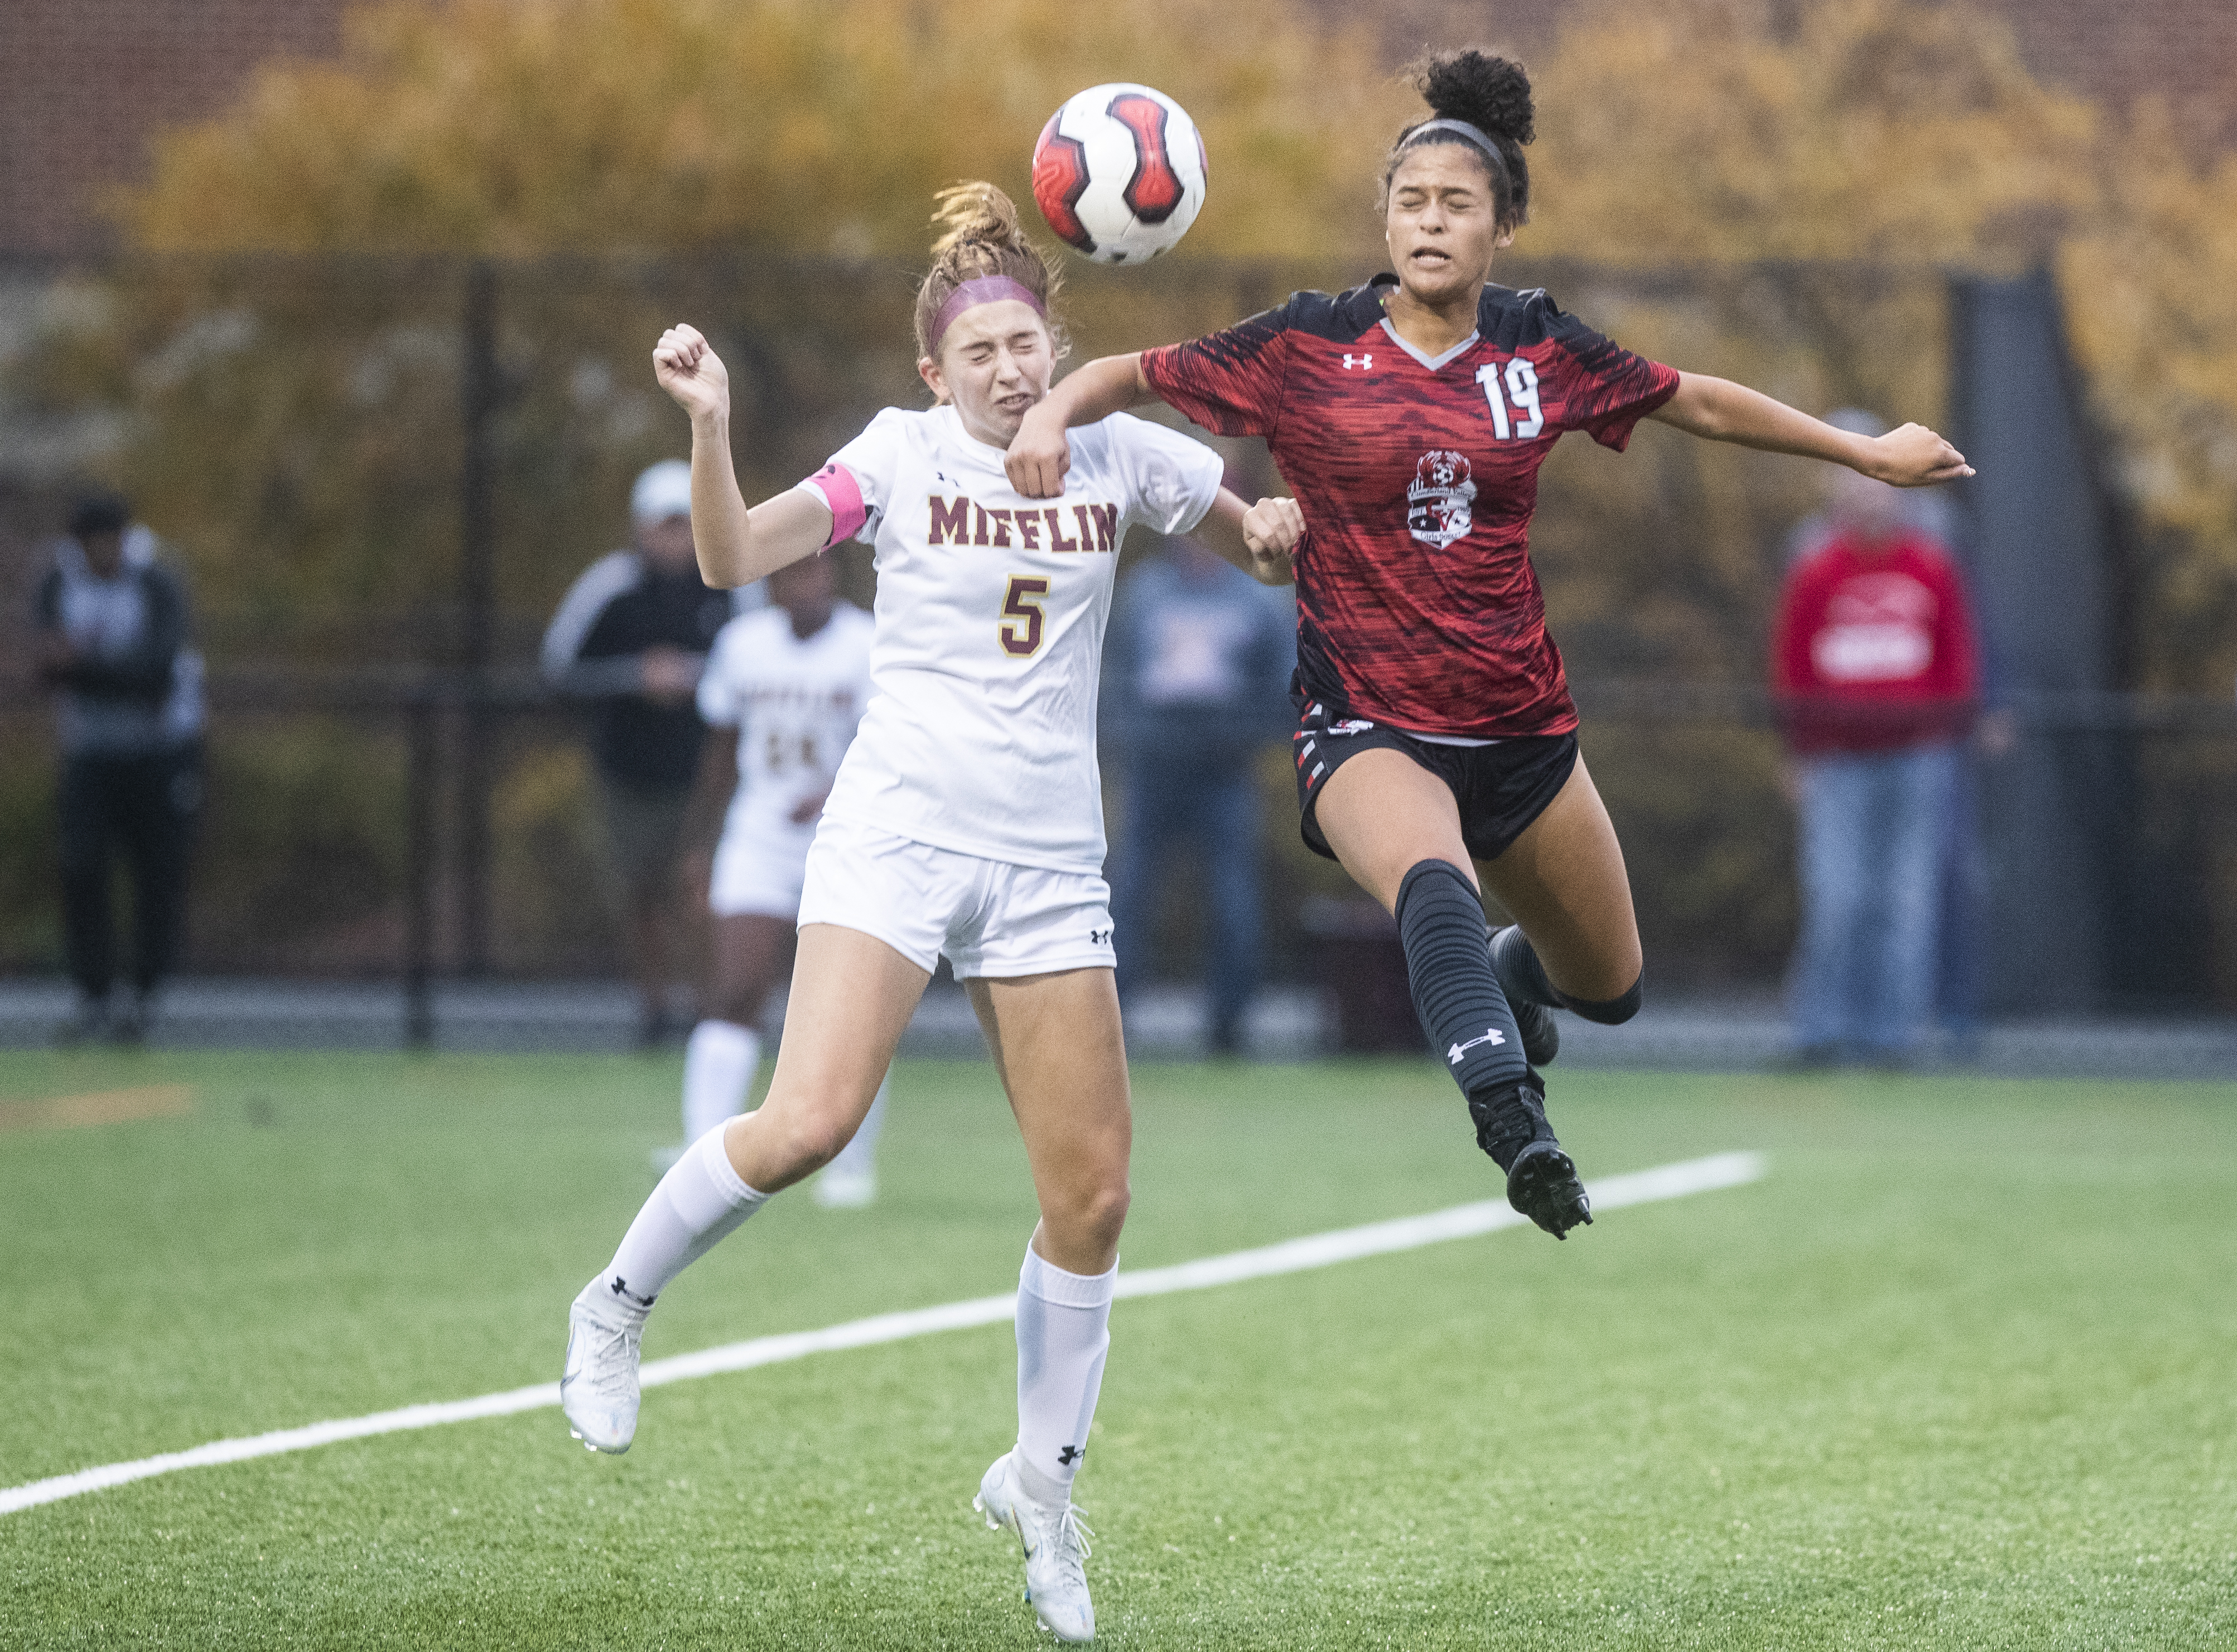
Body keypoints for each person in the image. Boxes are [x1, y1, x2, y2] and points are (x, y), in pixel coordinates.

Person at [1006, 49, 1971, 1238]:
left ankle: (1520, 983)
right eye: (1410, 203)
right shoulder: (1305, 343)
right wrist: (1050, 409)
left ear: (1503, 226)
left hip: (1522, 729)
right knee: (1432, 887)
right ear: (1385, 219)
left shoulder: (1540, 348)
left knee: (1607, 986)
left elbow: (1701, 401)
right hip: (1362, 719)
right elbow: (1122, 373)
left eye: (1456, 205)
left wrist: (1864, 455)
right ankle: (1512, 1118)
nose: (1429, 223)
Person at [558, 183, 1292, 1643]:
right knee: (809, 1121)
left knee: (1092, 1200)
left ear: (1056, 341)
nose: (1012, 370)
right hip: (896, 837)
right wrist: (707, 428)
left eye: (1028, 341)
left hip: (1044, 862)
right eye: (981, 354)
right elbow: (728, 559)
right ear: (932, 376)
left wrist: (1274, 519)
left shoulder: (1121, 451)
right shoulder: (893, 459)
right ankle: (615, 1305)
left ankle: (1039, 1488)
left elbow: (1249, 535)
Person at [670, 550, 890, 1205]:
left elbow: (889, 745)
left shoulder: (866, 644)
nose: (805, 584)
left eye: (815, 572)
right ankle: (699, 1150)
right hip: (760, 835)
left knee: (851, 1005)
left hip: (849, 835)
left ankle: (850, 1161)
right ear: (771, 584)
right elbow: (718, 750)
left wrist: (830, 791)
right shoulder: (743, 646)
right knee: (735, 987)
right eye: (791, 574)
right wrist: (699, 844)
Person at [1771, 418, 1984, 1066]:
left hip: (1916, 759)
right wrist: (1796, 752)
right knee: (1837, 899)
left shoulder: (1930, 566)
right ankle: (1817, 1033)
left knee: (1905, 904)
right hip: (1834, 762)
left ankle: (1891, 1040)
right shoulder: (1816, 570)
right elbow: (1791, 666)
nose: (1866, 497)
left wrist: (1942, 735)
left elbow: (1955, 659)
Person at [542, 461, 750, 1046]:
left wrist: (693, 678)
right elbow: (560, 671)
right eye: (664, 526)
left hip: (706, 777)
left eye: (685, 524)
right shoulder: (611, 588)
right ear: (640, 528)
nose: (675, 539)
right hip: (629, 774)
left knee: (701, 894)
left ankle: (716, 1013)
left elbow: (756, 663)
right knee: (638, 896)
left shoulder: (730, 587)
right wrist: (635, 677)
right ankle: (654, 1013)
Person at [1102, 531, 1293, 1053]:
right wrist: (1129, 734)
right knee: (1128, 896)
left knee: (1233, 899)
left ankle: (1229, 1027)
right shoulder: (1144, 592)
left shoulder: (1258, 599)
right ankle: (1111, 1024)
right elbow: (1112, 674)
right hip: (1153, 766)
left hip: (1225, 771)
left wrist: (1242, 731)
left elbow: (1287, 683)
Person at [33, 490, 206, 1045]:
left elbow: (157, 670)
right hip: (91, 752)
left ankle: (146, 997)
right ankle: (94, 997)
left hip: (161, 750)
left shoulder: (156, 578)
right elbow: (47, 666)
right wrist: (107, 674)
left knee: (158, 872)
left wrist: (85, 667)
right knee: (82, 868)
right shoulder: (59, 580)